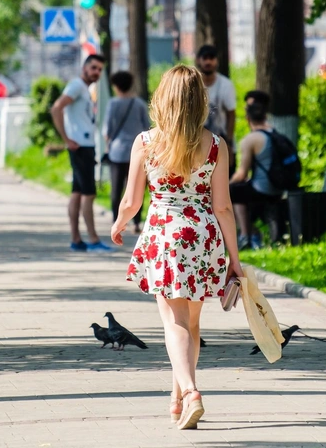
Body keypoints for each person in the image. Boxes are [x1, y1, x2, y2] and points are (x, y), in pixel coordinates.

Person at [110, 64, 243, 430]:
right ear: (200, 101)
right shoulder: (215, 145)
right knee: (192, 324)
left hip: (165, 236)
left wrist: (119, 224)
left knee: (174, 323)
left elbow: (131, 201)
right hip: (203, 237)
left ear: (162, 100)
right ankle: (176, 401)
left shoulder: (146, 142)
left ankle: (191, 391)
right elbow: (223, 207)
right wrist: (235, 259)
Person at [51, 54, 112, 252]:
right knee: (89, 194)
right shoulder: (76, 86)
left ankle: (76, 240)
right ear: (84, 67)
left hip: (84, 145)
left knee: (77, 194)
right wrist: (66, 139)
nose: (97, 72)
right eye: (93, 68)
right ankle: (93, 240)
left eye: (100, 69)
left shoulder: (84, 89)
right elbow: (57, 108)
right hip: (80, 146)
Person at [229, 91, 283, 250]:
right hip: (278, 187)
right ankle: (250, 234)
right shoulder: (274, 132)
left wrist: (224, 185)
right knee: (240, 190)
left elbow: (241, 174)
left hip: (263, 189)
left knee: (231, 192)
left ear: (247, 117)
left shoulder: (250, 140)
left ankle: (247, 236)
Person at [103, 71, 150, 234]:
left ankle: (117, 221)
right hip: (138, 151)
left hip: (117, 151)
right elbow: (147, 127)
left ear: (116, 86)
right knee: (138, 187)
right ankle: (136, 222)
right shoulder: (139, 104)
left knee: (116, 187)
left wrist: (106, 145)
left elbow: (107, 130)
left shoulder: (113, 104)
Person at [195, 45, 237, 176]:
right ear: (198, 60)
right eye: (205, 58)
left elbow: (231, 114)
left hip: (221, 140)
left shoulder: (225, 84)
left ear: (217, 61)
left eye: (211, 58)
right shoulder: (194, 84)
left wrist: (229, 143)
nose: (208, 62)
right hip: (198, 144)